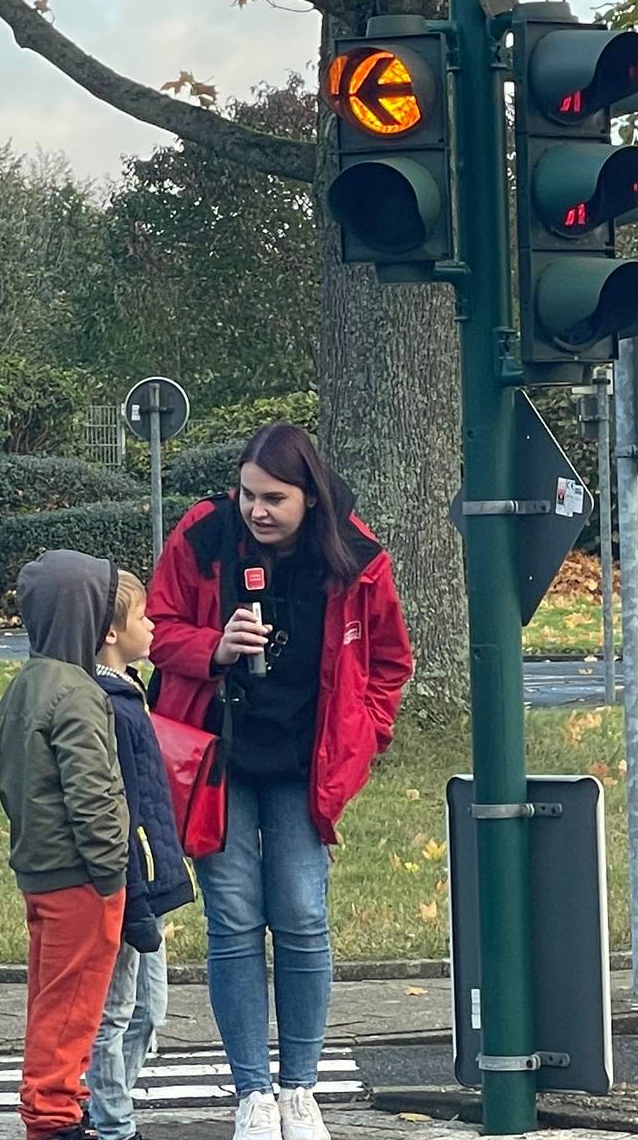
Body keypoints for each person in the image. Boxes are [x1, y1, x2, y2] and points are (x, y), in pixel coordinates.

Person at [147, 423, 414, 1140]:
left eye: (273, 498)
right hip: (219, 757)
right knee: (233, 920)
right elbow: (158, 627)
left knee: (300, 915)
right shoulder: (204, 536)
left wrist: (367, 736)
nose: (256, 510)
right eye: (246, 494)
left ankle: (300, 1088)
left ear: (310, 498)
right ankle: (253, 1094)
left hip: (307, 765)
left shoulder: (355, 556)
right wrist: (215, 646)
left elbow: (390, 662)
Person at [0, 550, 133, 1140]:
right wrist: (112, 873)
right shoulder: (78, 692)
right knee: (73, 1012)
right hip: (82, 881)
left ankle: (53, 1111)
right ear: (87, 616)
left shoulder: (25, 685)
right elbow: (93, 792)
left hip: (40, 870)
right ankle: (54, 1120)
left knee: (49, 1006)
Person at [85, 569, 196, 1140]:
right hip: (127, 885)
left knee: (150, 1011)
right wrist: (135, 895)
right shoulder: (107, 705)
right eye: (142, 618)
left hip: (146, 881)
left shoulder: (131, 692)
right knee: (116, 1010)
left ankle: (106, 1103)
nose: (153, 625)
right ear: (110, 632)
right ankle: (111, 1122)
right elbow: (118, 810)